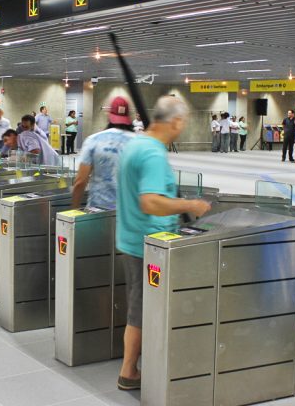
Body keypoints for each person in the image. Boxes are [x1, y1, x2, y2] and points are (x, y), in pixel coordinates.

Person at [115, 96, 212, 391]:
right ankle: (128, 370)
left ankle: (137, 366)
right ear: (176, 121)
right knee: (140, 310)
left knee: (139, 306)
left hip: (129, 238)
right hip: (150, 244)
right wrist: (190, 205)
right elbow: (151, 201)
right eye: (183, 123)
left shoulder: (134, 144)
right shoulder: (153, 153)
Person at [71, 97, 135, 210]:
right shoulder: (140, 142)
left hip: (98, 211)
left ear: (109, 116)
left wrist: (74, 209)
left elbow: (80, 181)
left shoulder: (94, 140)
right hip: (129, 213)